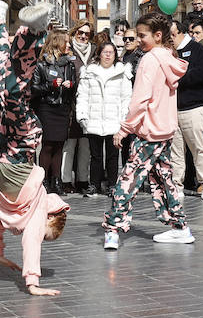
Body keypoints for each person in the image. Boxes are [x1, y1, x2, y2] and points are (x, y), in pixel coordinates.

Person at [0, 0, 68, 296]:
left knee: (2, 84)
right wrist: (33, 283)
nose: (40, 237)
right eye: (47, 235)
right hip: (23, 142)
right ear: (51, 217)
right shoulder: (36, 212)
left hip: (4, 145)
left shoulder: (6, 213)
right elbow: (30, 245)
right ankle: (33, 31)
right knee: (12, 90)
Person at [102, 11, 191, 249]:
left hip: (148, 131)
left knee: (127, 180)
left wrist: (124, 129)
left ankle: (113, 229)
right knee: (165, 179)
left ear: (158, 35)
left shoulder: (150, 60)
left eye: (142, 35)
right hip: (165, 130)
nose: (139, 40)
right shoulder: (169, 57)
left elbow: (140, 99)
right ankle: (180, 227)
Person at [76, 41, 132, 196]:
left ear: (115, 55)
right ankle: (94, 184)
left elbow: (126, 98)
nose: (108, 55)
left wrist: (124, 119)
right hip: (94, 119)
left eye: (111, 52)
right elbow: (83, 96)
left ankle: (112, 184)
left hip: (114, 121)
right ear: (99, 54)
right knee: (95, 156)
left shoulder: (122, 73)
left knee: (113, 156)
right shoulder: (89, 72)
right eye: (105, 52)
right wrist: (82, 115)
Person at [168, 19, 203, 200]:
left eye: (173, 35)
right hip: (173, 108)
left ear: (182, 32)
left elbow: (201, 75)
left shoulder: (197, 50)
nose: (170, 39)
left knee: (199, 148)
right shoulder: (169, 52)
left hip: (195, 107)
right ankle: (176, 185)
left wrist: (177, 79)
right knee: (176, 151)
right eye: (168, 36)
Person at [31, 30, 76, 195]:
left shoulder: (69, 64)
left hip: (63, 108)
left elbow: (74, 85)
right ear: (57, 43)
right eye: (66, 42)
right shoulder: (42, 64)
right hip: (47, 108)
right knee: (48, 145)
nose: (69, 45)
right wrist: (51, 86)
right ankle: (43, 181)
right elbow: (34, 89)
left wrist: (71, 85)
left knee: (59, 146)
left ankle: (56, 181)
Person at [62, 21, 94, 194]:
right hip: (71, 105)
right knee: (70, 144)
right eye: (80, 32)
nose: (83, 36)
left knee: (86, 145)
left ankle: (83, 179)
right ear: (74, 33)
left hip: (91, 105)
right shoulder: (69, 52)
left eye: (87, 34)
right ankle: (66, 179)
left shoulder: (94, 52)